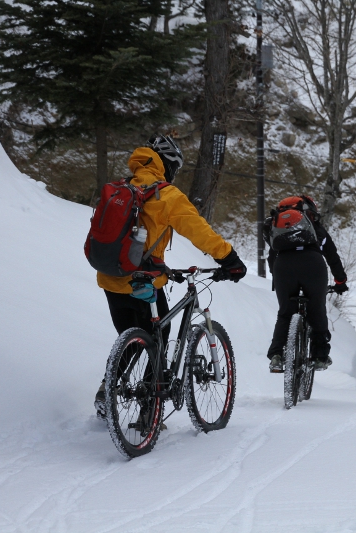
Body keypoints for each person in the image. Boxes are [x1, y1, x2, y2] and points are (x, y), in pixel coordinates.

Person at [94, 134, 246, 417]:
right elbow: (199, 231)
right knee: (158, 336)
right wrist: (229, 259)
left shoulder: (120, 187)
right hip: (142, 280)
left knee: (133, 337)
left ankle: (109, 388)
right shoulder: (166, 195)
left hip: (109, 277)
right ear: (168, 165)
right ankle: (148, 412)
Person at [263, 195, 348, 373]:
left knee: (285, 313)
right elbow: (332, 256)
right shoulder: (316, 229)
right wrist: (340, 281)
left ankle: (277, 356)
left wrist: (276, 277)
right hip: (312, 265)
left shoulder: (278, 229)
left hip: (283, 268)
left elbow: (272, 257)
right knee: (317, 309)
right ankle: (319, 357)